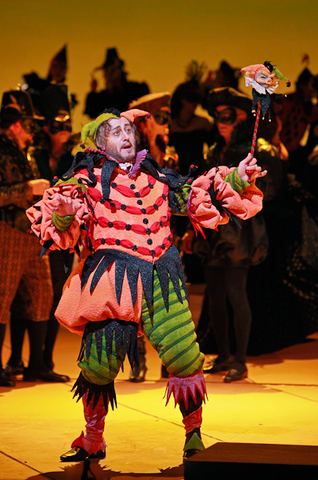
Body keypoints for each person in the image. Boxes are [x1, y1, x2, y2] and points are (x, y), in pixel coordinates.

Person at [26, 107, 265, 461]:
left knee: (185, 357)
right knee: (98, 363)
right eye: (115, 131)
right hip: (113, 282)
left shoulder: (157, 179)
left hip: (162, 279)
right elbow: (62, 226)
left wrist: (239, 179)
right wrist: (62, 211)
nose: (125, 135)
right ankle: (93, 437)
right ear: (98, 143)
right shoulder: (85, 182)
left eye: (128, 129)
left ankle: (194, 434)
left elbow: (197, 196)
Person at [196, 87, 278, 382]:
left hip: (240, 231)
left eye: (228, 116)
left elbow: (269, 190)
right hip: (214, 228)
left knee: (235, 292)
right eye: (217, 116)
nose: (221, 121)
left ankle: (240, 360)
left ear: (242, 117)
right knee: (215, 296)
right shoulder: (212, 149)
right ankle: (225, 355)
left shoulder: (257, 150)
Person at [0, 89, 66, 386]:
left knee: (42, 294)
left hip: (31, 231)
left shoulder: (24, 152)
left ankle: (37, 363)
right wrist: (27, 190)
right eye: (28, 125)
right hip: (7, 232)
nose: (32, 132)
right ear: (15, 125)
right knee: (2, 298)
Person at [84, 48, 150, 119]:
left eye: (113, 70)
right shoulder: (103, 97)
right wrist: (93, 91)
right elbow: (92, 112)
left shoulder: (136, 89)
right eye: (107, 71)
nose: (110, 75)